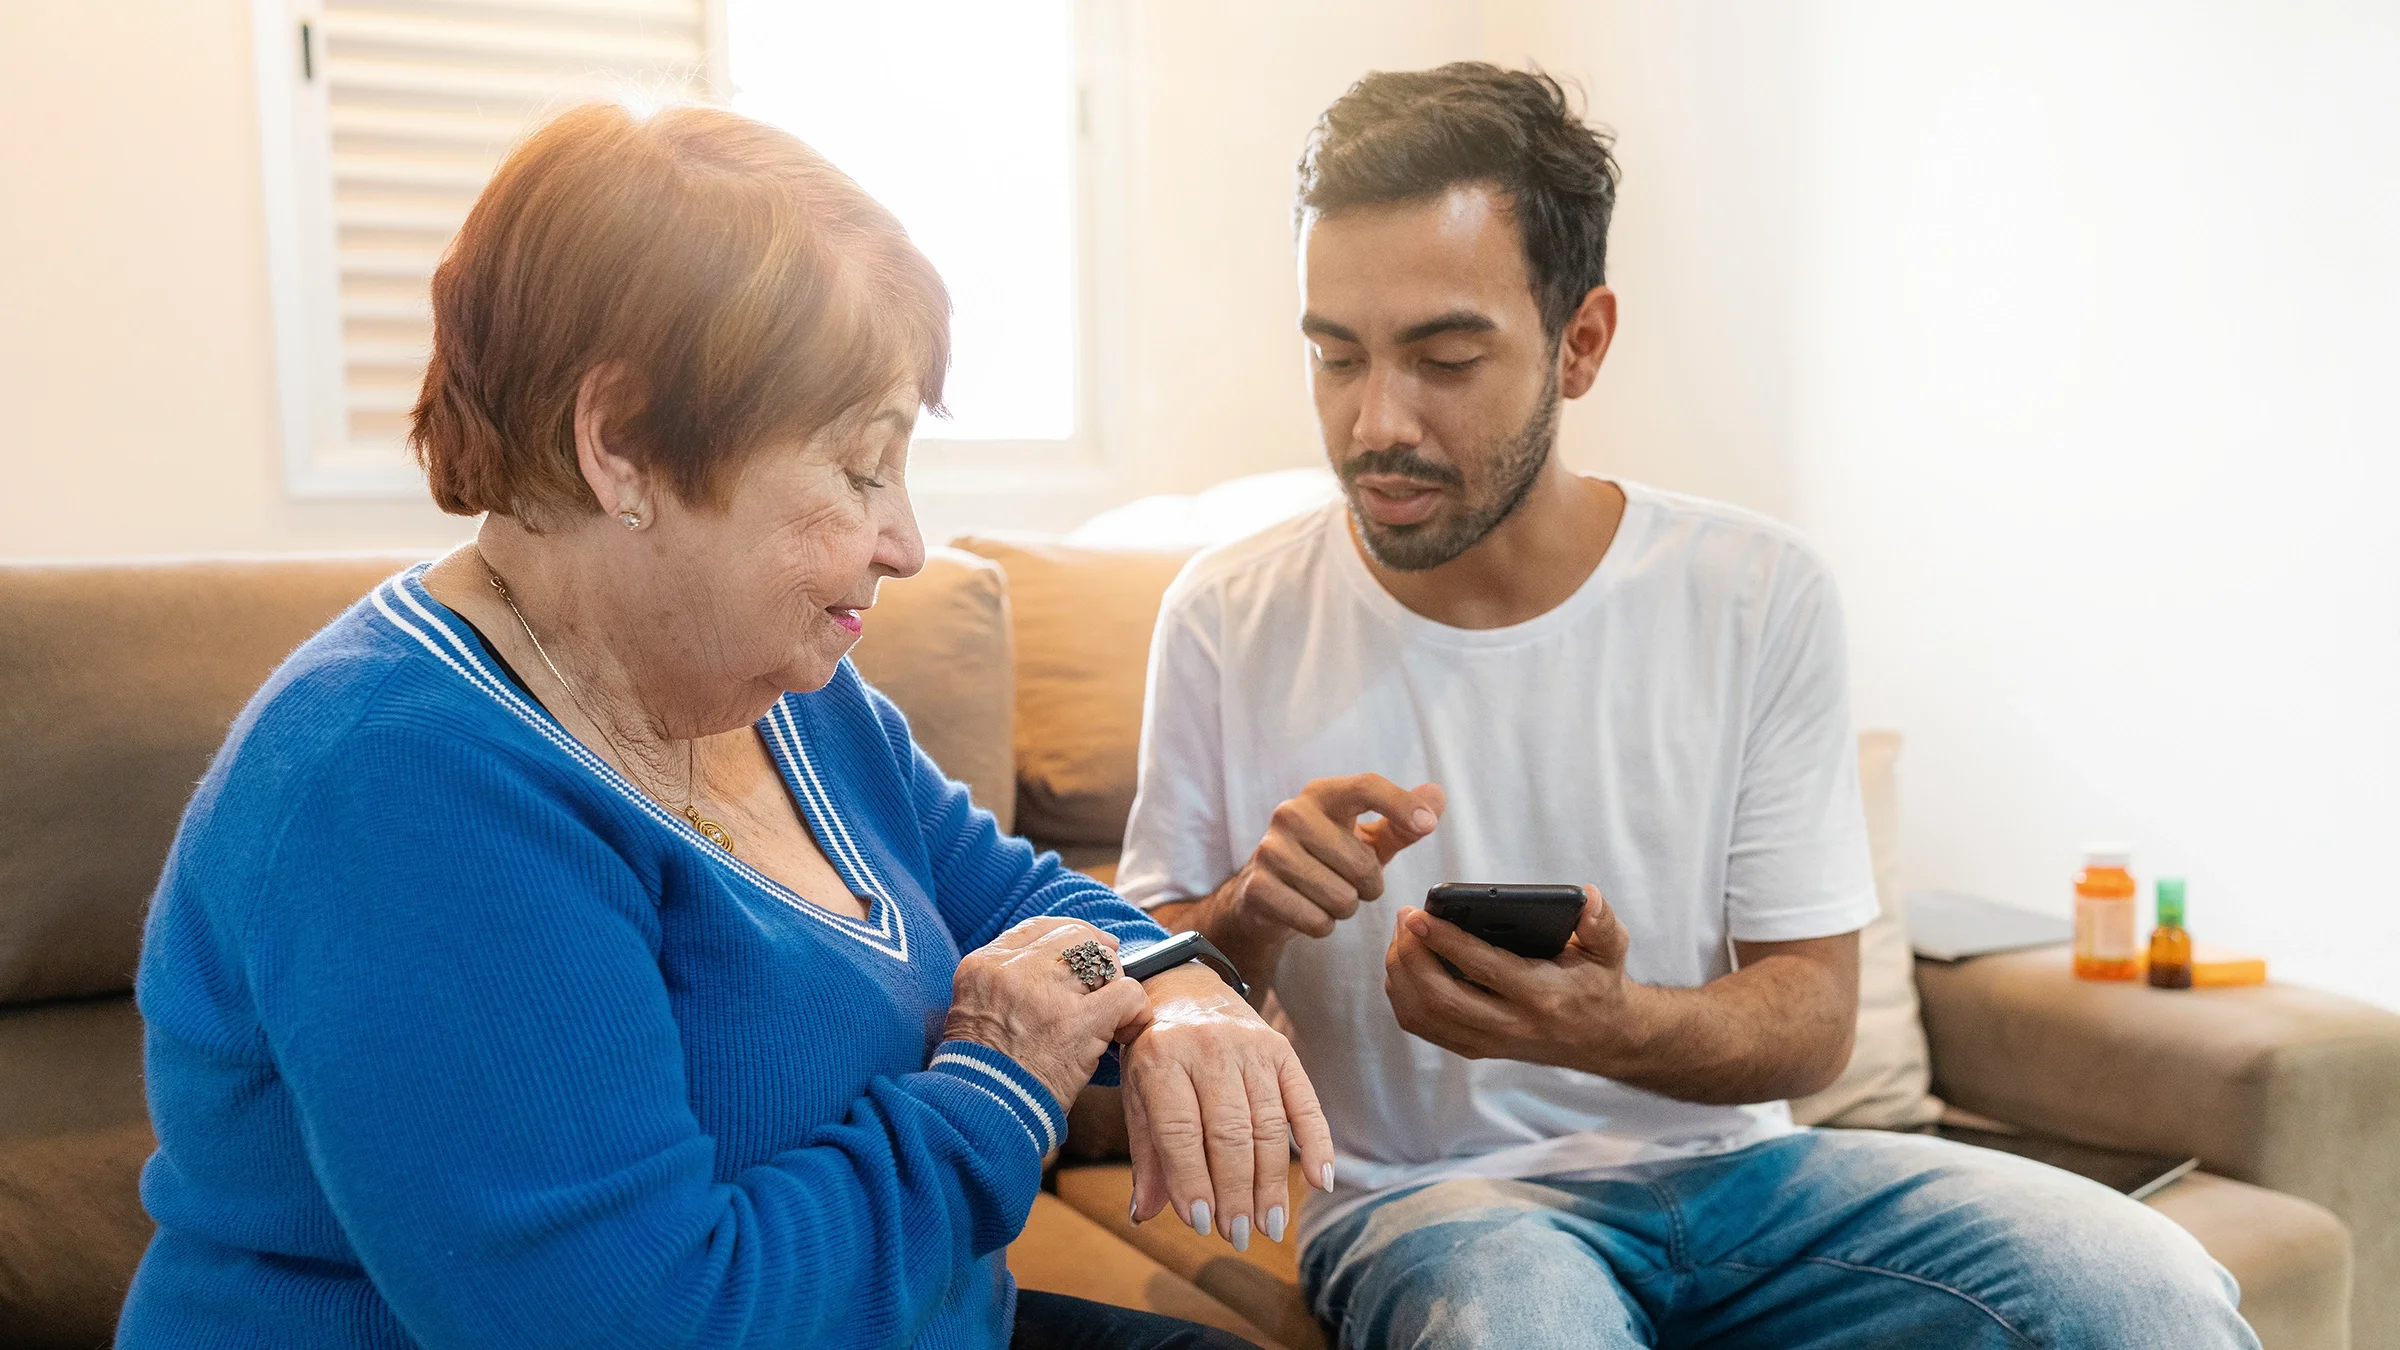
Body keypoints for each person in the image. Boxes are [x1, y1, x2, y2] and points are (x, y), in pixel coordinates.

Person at [117, 103, 1331, 1350]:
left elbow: (1015, 895)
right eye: (862, 468)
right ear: (624, 445)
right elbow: (642, 1322)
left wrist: (1179, 991)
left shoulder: (783, 689)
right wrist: (998, 1086)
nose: (906, 542)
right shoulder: (403, 786)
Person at [1118, 63, 2258, 1350]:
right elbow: (1148, 969)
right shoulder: (1227, 614)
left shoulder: (1755, 593)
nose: (1377, 421)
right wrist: (1250, 917)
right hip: (1432, 1205)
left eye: (1444, 358)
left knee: (2151, 1296)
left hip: (1748, 1187)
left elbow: (1810, 1017)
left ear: (1582, 341)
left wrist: (1612, 1026)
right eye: (1337, 356)